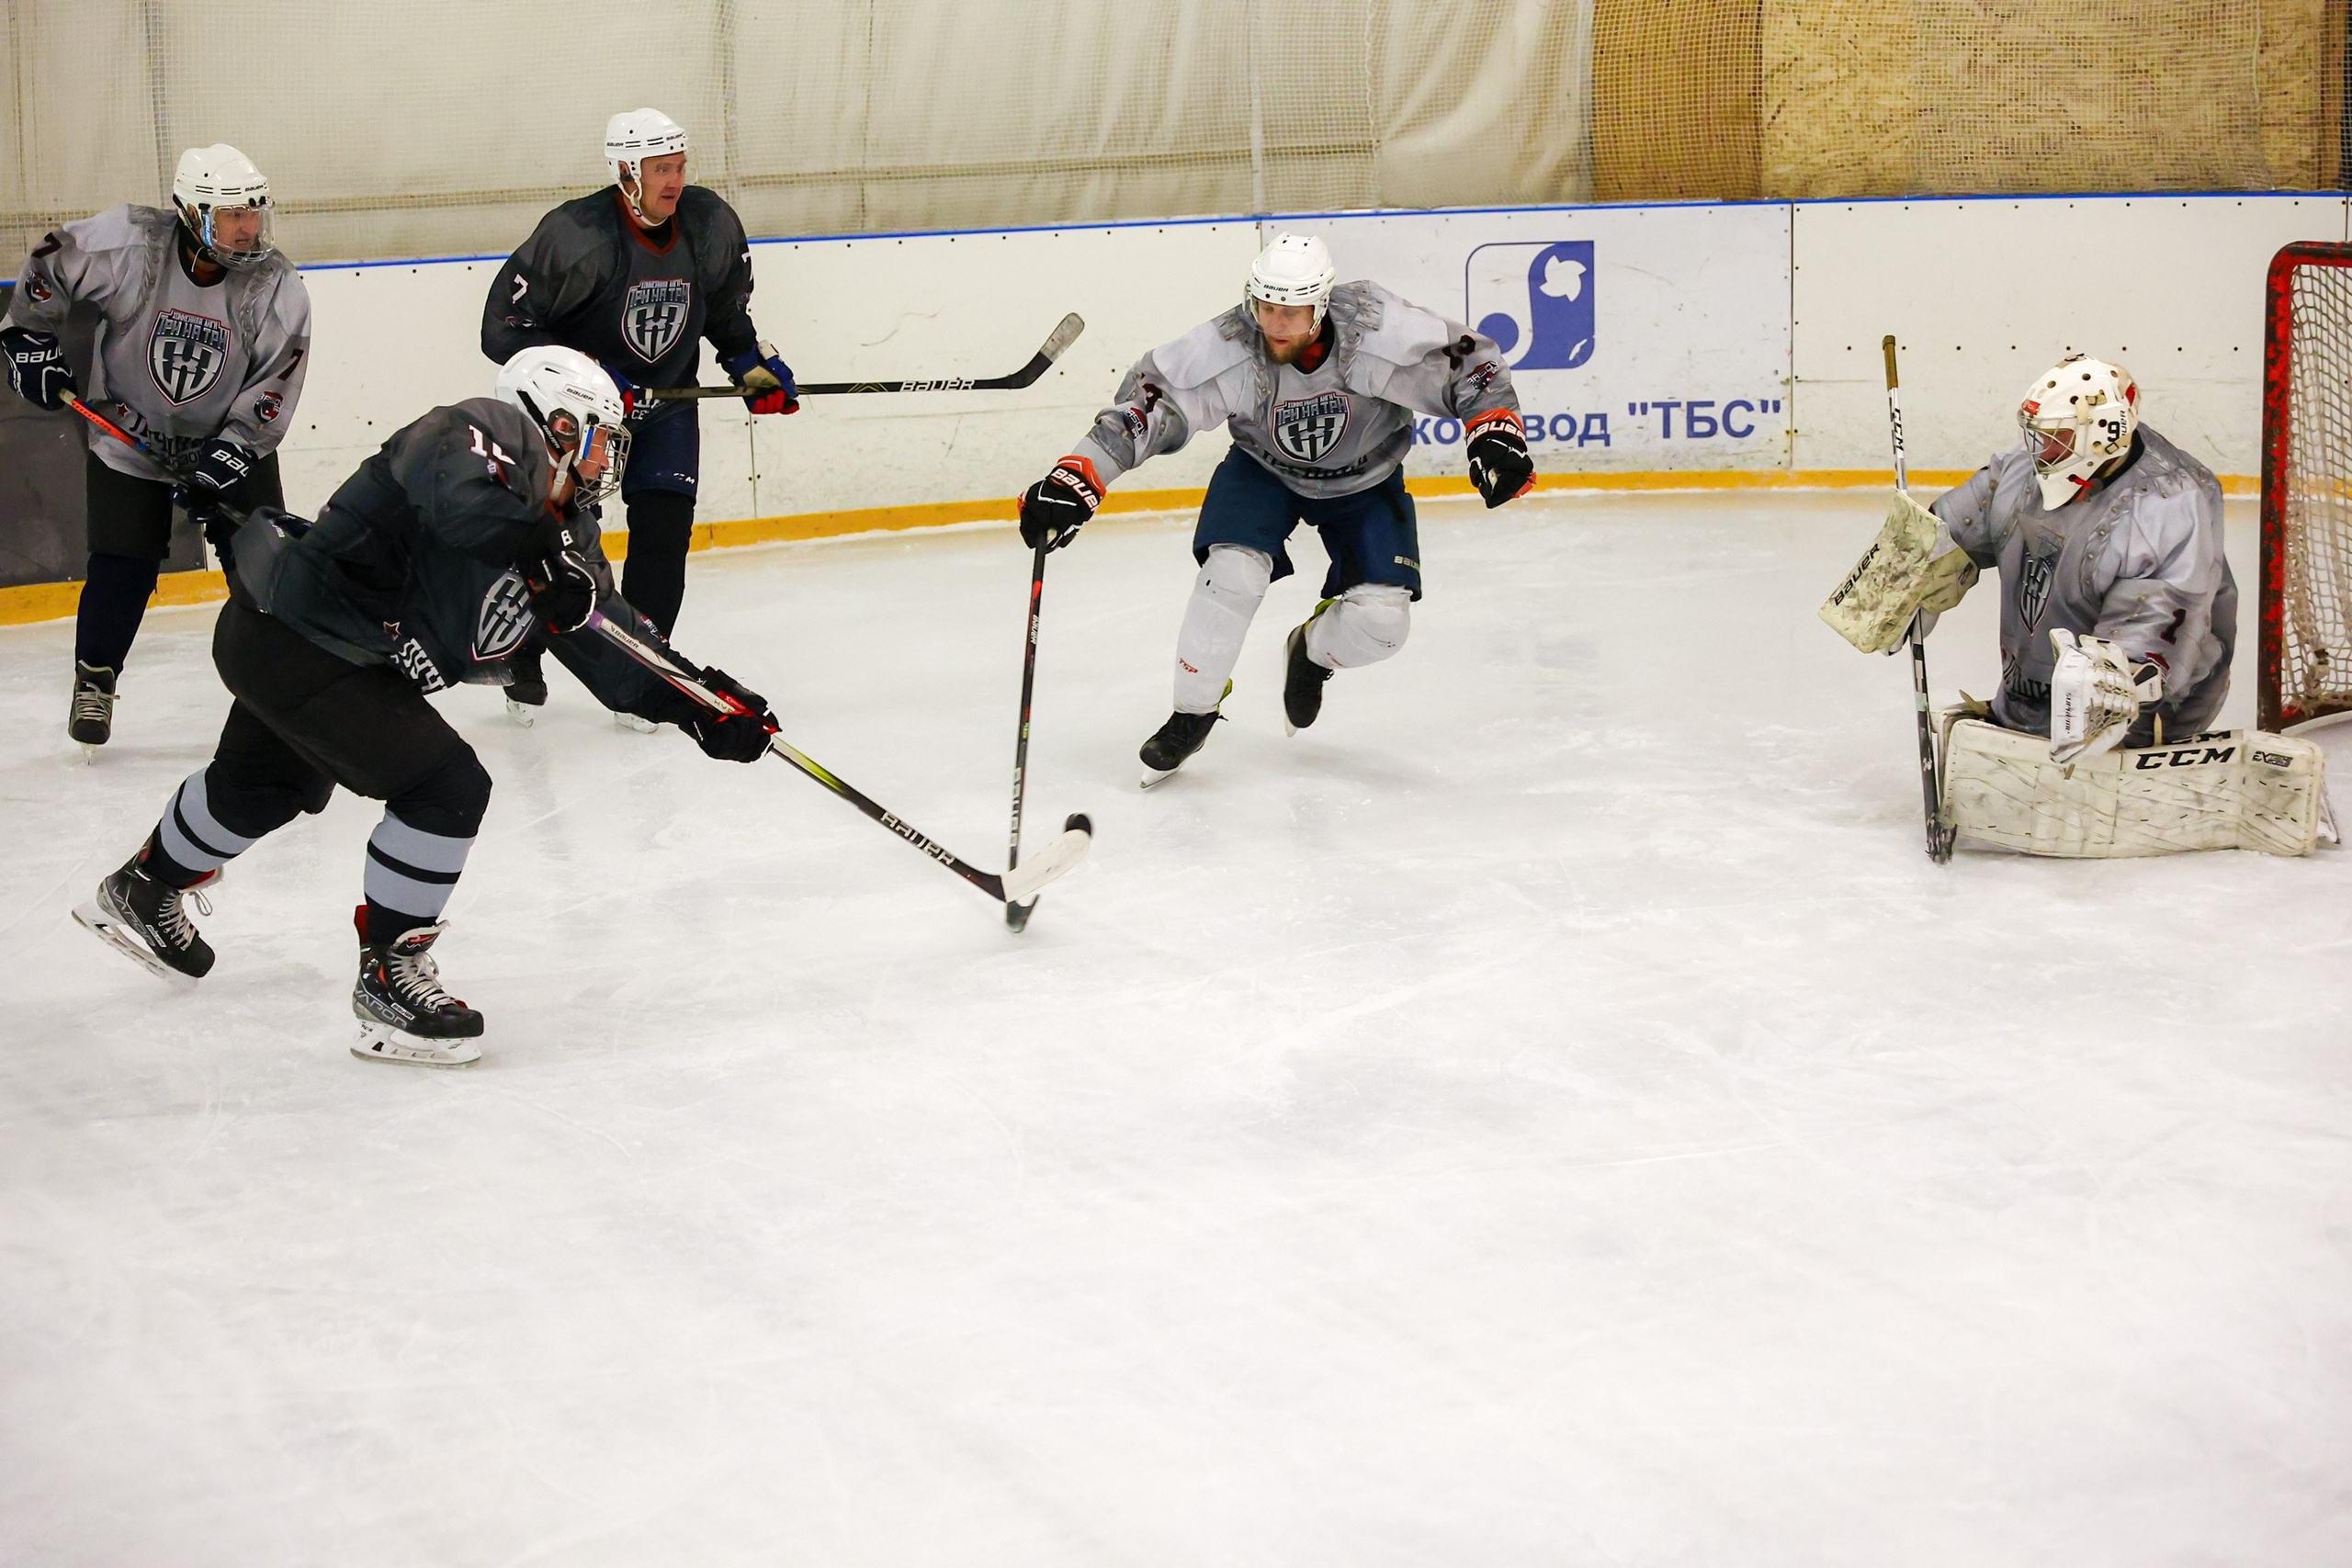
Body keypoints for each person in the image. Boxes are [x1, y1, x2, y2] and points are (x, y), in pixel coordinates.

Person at [72, 347, 776, 1067]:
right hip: (298, 638)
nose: (604, 467)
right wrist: (541, 552)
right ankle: (388, 981)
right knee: (447, 786)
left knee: (267, 786)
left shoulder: (567, 539)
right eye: (600, 443)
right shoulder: (480, 429)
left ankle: (143, 883)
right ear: (558, 424)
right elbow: (464, 501)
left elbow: (616, 644)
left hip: (298, 648)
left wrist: (706, 703)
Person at [1014, 233, 1535, 786]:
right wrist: (1078, 474)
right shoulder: (1232, 344)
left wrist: (1495, 432)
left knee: (1382, 625)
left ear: (1324, 303)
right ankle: (1192, 712)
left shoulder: (1376, 329)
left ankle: (1309, 652)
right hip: (1264, 472)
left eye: (1292, 311)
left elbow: (1470, 364)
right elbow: (1150, 403)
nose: (1276, 323)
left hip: (1368, 478)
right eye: (1266, 307)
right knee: (1230, 577)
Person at [481, 107, 795, 728]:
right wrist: (590, 377)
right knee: (557, 540)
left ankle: (646, 671)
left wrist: (755, 374)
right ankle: (520, 651)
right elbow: (504, 327)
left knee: (664, 532)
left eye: (679, 165)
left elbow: (728, 322)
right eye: (660, 168)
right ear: (627, 172)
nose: (674, 180)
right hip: (581, 417)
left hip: (666, 404)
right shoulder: (576, 236)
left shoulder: (708, 225)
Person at [0, 144, 311, 748]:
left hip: (229, 441)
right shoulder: (130, 240)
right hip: (130, 435)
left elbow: (275, 384)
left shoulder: (276, 284)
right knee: (122, 566)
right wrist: (27, 340)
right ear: (194, 213)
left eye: (255, 213)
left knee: (261, 570)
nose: (250, 229)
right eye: (234, 216)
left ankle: (282, 692)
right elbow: (49, 264)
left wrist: (227, 457)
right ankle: (95, 677)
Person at [1928, 354, 2235, 760]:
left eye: (2056, 437)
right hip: (2028, 700)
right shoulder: (2022, 472)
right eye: (2038, 435)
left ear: (2103, 433)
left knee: (2110, 685)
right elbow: (1948, 529)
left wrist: (2111, 684)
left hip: (2149, 719)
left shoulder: (2170, 503)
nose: (2041, 450)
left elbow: (2158, 623)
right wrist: (1909, 568)